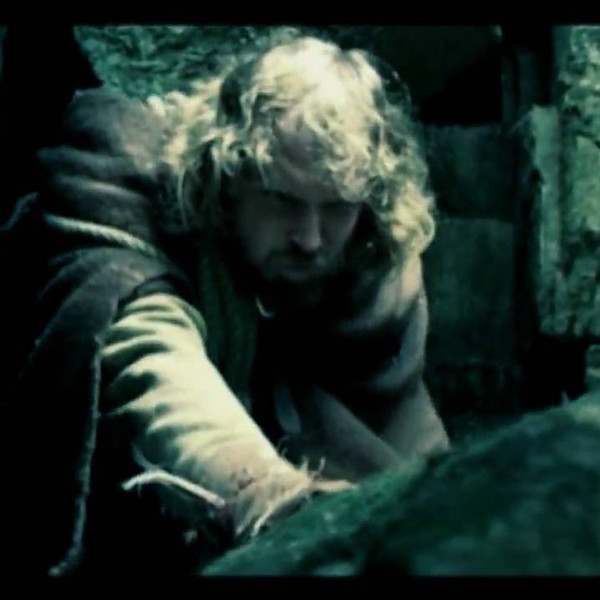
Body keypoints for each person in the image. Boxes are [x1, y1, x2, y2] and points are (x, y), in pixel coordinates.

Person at [0, 28, 449, 575]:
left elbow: (403, 414)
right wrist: (267, 495)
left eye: (337, 206)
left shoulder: (368, 256)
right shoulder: (129, 187)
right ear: (226, 176)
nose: (310, 238)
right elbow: (153, 355)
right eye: (282, 201)